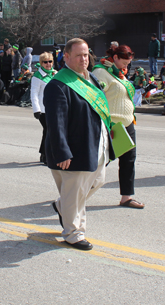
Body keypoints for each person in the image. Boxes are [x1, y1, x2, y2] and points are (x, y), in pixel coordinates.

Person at [44, 38, 115, 251]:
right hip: (75, 149)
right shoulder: (58, 85)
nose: (84, 59)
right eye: (78, 55)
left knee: (97, 181)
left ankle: (62, 205)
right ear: (66, 57)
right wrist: (62, 151)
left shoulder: (90, 78)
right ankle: (73, 233)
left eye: (86, 55)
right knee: (75, 192)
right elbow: (55, 124)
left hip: (96, 144)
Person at [93, 45, 144, 209]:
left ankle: (126, 197)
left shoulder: (119, 73)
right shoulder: (101, 72)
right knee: (100, 163)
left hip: (127, 123)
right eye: (124, 63)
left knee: (129, 160)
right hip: (112, 125)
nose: (126, 67)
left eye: (128, 64)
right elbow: (94, 99)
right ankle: (74, 193)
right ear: (115, 58)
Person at [31, 52, 56, 165]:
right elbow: (34, 93)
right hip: (43, 109)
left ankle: (44, 154)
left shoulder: (55, 74)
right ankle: (46, 155)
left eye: (50, 61)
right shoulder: (37, 76)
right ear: (41, 63)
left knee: (48, 131)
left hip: (54, 108)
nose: (48, 64)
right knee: (48, 131)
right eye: (45, 62)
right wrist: (36, 110)